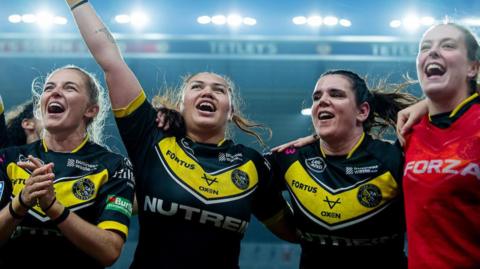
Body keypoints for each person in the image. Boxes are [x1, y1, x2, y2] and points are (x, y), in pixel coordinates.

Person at [65, 1, 295, 268]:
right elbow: (111, 62)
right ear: (182, 103)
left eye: (219, 90)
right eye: (196, 87)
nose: (207, 92)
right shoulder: (152, 137)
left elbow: (299, 232)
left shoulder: (252, 164)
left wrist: (317, 141)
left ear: (231, 111)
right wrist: (77, 2)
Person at [266, 70, 417, 268]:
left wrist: (424, 105)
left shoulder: (395, 159)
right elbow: (239, 170)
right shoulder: (290, 157)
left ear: (362, 111)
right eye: (317, 97)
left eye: (336, 94)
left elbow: (457, 109)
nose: (322, 101)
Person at [0, 65, 135, 268]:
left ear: (91, 110)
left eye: (69, 88)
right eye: (49, 88)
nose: (55, 92)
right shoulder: (9, 159)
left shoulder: (113, 166)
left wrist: (53, 207)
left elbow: (109, 251)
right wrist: (21, 201)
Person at [397, 22, 480, 268]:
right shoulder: (408, 130)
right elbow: (350, 120)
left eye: (448, 45)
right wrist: (315, 139)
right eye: (425, 47)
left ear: (472, 67)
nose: (432, 52)